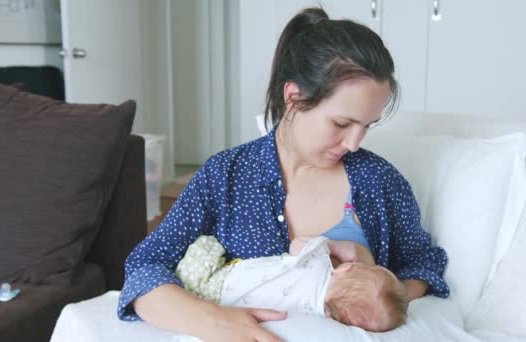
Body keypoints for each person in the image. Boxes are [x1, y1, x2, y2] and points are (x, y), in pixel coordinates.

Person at [118, 7, 449, 342]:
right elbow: (144, 267)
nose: (353, 143)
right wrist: (215, 322)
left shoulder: (380, 182)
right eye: (341, 123)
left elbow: (422, 263)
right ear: (293, 97)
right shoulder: (226, 176)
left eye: (366, 126)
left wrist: (378, 305)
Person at [175, 235, 407, 332]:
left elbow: (298, 244)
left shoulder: (320, 263)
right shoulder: (315, 316)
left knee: (208, 243)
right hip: (222, 306)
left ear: (347, 267)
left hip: (221, 278)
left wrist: (333, 246)